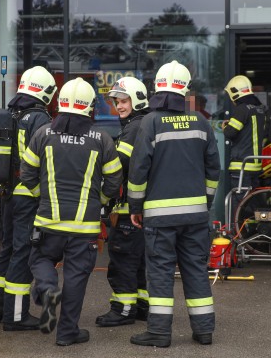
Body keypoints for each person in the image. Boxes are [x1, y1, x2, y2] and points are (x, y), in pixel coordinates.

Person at [22, 78, 122, 346]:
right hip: (85, 227)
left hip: (48, 221)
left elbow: (26, 173)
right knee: (77, 277)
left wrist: (40, 196)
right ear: (89, 107)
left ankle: (47, 288)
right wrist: (97, 201)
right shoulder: (102, 139)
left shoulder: (43, 134)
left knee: (40, 260)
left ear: (60, 104)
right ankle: (66, 334)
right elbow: (113, 182)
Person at [128, 60, 221, 348]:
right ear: (185, 91)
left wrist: (135, 207)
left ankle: (159, 332)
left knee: (160, 272)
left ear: (157, 88)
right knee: (195, 270)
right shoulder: (202, 122)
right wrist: (204, 202)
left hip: (159, 217)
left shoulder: (150, 122)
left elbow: (138, 169)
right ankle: (204, 331)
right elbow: (213, 169)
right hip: (195, 217)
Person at [0, 66, 57, 331]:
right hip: (28, 196)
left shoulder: (11, 114)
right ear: (45, 90)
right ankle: (15, 316)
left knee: (7, 250)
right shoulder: (39, 118)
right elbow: (43, 163)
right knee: (23, 252)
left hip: (7, 193)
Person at [96, 77, 150, 328]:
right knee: (138, 263)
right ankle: (141, 306)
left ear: (137, 99)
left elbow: (119, 164)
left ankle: (123, 309)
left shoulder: (135, 126)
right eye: (117, 101)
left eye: (124, 100)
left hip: (131, 209)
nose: (119, 105)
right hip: (139, 208)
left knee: (123, 261)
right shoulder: (139, 123)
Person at [222, 75, 266, 212]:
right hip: (255, 164)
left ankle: (236, 231)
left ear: (235, 93)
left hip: (242, 165)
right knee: (253, 200)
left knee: (239, 202)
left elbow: (230, 133)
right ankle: (254, 227)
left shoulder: (242, 109)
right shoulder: (259, 109)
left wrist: (225, 127)